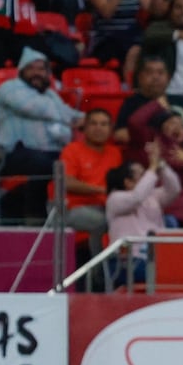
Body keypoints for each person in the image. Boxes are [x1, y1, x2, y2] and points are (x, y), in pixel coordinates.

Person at [0, 47, 84, 221]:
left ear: (48, 73)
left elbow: (65, 111)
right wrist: (73, 119)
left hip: (50, 151)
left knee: (68, 162)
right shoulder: (9, 88)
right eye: (31, 68)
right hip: (11, 151)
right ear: (21, 71)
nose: (36, 73)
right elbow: (36, 108)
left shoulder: (50, 94)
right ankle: (34, 217)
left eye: (41, 69)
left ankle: (14, 205)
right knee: (46, 165)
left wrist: (85, 119)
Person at [104, 142, 181, 285]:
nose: (148, 175)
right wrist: (152, 168)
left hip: (156, 257)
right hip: (127, 260)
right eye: (142, 174)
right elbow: (136, 197)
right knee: (160, 273)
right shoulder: (115, 199)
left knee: (182, 271)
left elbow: (174, 189)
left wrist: (161, 164)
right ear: (128, 182)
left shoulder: (153, 196)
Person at [59, 108, 123, 260]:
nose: (98, 128)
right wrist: (101, 190)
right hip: (73, 208)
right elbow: (67, 183)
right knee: (104, 222)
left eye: (103, 124)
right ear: (85, 128)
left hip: (107, 206)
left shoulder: (115, 153)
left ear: (110, 129)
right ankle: (99, 276)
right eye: (93, 124)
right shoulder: (72, 150)